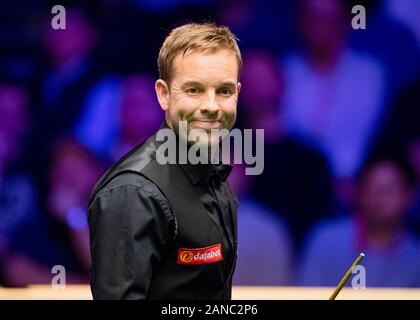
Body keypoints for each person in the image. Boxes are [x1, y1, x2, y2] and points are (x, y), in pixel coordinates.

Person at [88, 23, 242, 299]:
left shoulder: (214, 178)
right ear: (163, 94)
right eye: (194, 90)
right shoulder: (133, 193)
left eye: (224, 91)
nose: (211, 105)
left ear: (237, 94)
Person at [298, 151, 420, 287]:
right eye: (372, 189)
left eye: (387, 191)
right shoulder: (326, 240)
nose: (378, 199)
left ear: (409, 195)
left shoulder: (416, 255)